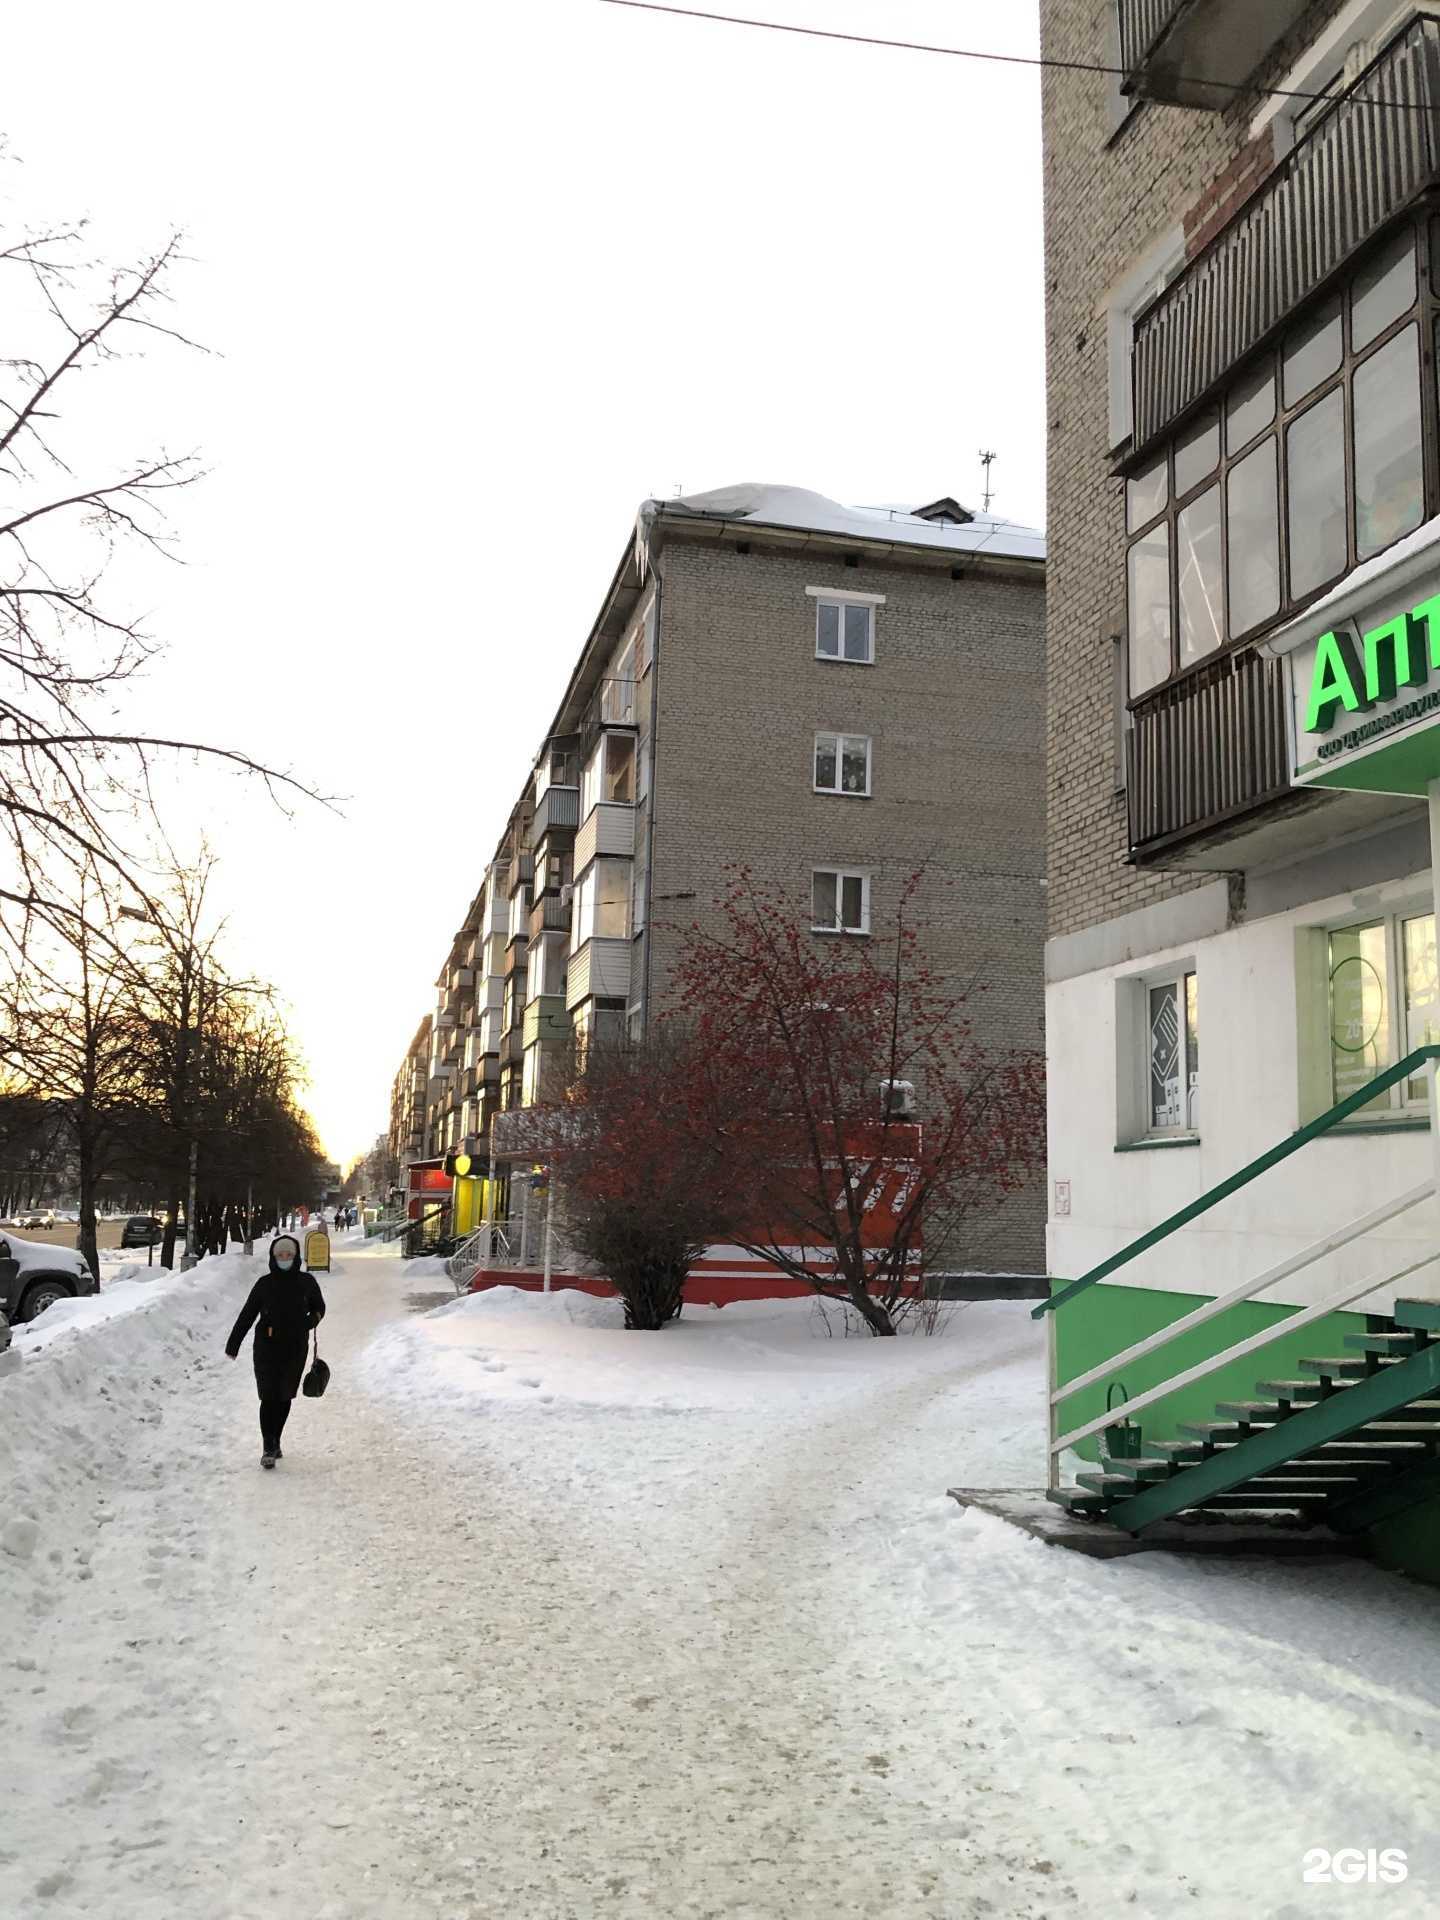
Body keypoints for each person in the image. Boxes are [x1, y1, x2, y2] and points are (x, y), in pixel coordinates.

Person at [224, 1233, 326, 1468]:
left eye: (289, 1254)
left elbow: (319, 1307)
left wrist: (310, 1321)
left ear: (295, 1256)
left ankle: (276, 1439)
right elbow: (247, 1314)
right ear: (273, 1257)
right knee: (268, 1397)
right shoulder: (264, 1284)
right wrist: (233, 1344)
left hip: (295, 1348)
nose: (284, 1258)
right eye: (280, 1254)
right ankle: (268, 1446)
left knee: (284, 1396)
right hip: (267, 1348)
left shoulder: (307, 1282)